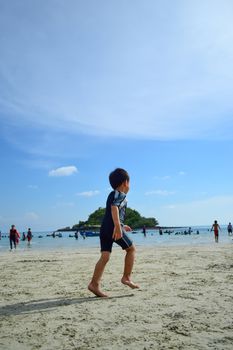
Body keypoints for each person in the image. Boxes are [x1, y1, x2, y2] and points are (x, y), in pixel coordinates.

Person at [88, 168, 139, 297]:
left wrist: (122, 225)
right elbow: (114, 208)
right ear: (125, 183)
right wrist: (117, 227)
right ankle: (126, 277)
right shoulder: (120, 194)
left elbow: (112, 213)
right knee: (131, 249)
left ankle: (94, 284)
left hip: (104, 228)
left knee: (105, 257)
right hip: (112, 228)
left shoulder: (113, 194)